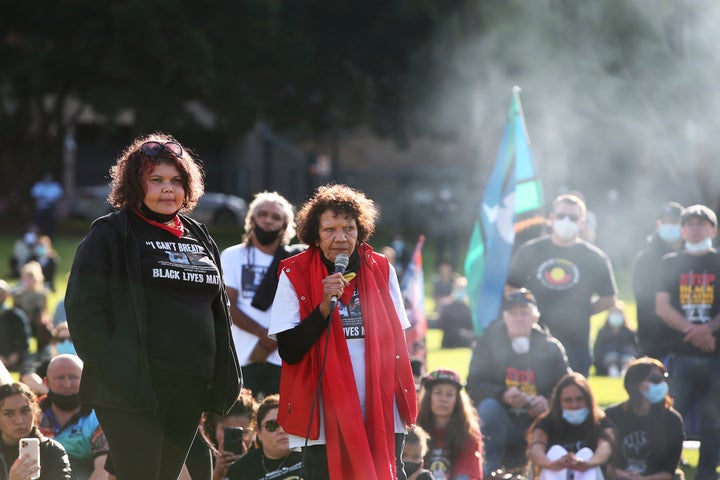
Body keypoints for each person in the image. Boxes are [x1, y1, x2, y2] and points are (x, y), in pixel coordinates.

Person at [64, 132, 242, 480]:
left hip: (190, 385)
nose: (168, 190)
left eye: (176, 181)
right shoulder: (113, 232)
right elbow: (84, 307)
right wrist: (114, 364)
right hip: (134, 388)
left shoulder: (198, 234)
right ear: (135, 184)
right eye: (156, 180)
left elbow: (218, 308)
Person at [268, 183, 417, 480]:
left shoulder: (382, 268)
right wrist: (323, 307)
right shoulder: (293, 272)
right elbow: (289, 350)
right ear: (315, 234)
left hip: (381, 406)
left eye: (348, 228)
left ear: (359, 231)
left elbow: (398, 340)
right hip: (322, 413)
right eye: (330, 230)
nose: (340, 238)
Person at [506, 193, 618, 375]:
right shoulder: (531, 250)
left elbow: (609, 298)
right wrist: (525, 315)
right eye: (561, 216)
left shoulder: (594, 257)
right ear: (551, 218)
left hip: (576, 341)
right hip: (534, 338)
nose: (566, 221)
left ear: (582, 222)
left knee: (572, 398)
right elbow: (511, 288)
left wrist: (584, 311)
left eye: (573, 217)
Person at [467, 288, 571, 476]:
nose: (519, 318)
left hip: (538, 420)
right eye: (513, 313)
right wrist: (502, 395)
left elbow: (568, 387)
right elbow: (473, 384)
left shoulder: (551, 347)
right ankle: (489, 468)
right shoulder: (488, 343)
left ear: (535, 317)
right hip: (500, 419)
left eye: (525, 313)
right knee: (489, 406)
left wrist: (548, 402)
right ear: (504, 317)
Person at [655, 204, 720, 480]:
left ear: (713, 230)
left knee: (714, 418)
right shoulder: (670, 263)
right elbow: (662, 307)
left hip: (715, 354)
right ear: (682, 230)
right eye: (690, 224)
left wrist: (709, 329)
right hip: (680, 354)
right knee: (673, 415)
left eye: (702, 223)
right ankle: (670, 467)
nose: (696, 228)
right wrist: (694, 331)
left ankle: (707, 471)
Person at [220, 191, 303, 399]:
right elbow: (228, 305)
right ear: (252, 219)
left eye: (276, 217)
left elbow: (303, 309)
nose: (268, 220)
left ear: (285, 226)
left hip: (282, 358)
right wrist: (264, 335)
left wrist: (273, 341)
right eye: (263, 214)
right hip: (243, 356)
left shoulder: (294, 261)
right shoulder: (232, 255)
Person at [604, 357, 684, 480]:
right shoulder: (612, 416)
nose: (662, 383)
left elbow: (668, 470)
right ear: (636, 383)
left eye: (664, 378)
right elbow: (604, 462)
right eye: (655, 379)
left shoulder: (672, 420)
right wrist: (623, 476)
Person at [526, 373, 613, 480]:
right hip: (555, 473)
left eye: (579, 399)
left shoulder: (600, 421)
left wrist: (588, 464)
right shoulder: (546, 422)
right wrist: (552, 464)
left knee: (586, 453)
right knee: (556, 452)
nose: (574, 405)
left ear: (588, 399)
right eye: (568, 400)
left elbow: (605, 448)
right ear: (559, 402)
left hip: (590, 473)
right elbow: (535, 450)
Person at [38, 354, 110, 480]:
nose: (67, 384)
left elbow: (103, 469)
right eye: (60, 378)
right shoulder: (31, 414)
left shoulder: (98, 417)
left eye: (73, 377)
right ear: (46, 382)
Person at [632, 201, 684, 360]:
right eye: (665, 222)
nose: (669, 226)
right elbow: (643, 298)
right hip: (653, 339)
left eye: (674, 222)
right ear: (658, 224)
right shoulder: (645, 259)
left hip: (688, 338)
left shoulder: (695, 255)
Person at [416, 369, 483, 480]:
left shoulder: (469, 433)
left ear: (457, 400)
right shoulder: (415, 430)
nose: (443, 399)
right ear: (429, 397)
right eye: (438, 393)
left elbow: (470, 474)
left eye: (450, 394)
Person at [0, 381, 71, 479]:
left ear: (34, 412)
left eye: (25, 411)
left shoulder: (51, 450)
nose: (19, 421)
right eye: (9, 414)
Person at [226, 394, 303, 479]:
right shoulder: (241, 469)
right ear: (258, 432)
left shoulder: (313, 456)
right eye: (272, 425)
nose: (282, 430)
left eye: (287, 424)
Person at [197, 388, 258, 480]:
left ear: (255, 431)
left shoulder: (263, 457)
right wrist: (217, 473)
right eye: (228, 431)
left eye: (242, 432)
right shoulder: (201, 457)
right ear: (214, 428)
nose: (235, 437)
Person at [12, 260, 53, 360]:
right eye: (27, 279)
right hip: (22, 322)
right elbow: (14, 312)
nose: (30, 282)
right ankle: (20, 352)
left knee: (44, 324)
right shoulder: (18, 295)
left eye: (32, 279)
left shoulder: (42, 294)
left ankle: (42, 352)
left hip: (36, 323)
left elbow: (46, 311)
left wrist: (44, 319)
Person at [592, 301, 638, 377]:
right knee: (611, 349)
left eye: (618, 313)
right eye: (613, 313)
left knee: (627, 350)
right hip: (606, 363)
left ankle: (625, 369)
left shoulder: (629, 332)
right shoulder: (603, 332)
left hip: (625, 359)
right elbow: (597, 351)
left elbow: (635, 350)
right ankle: (612, 368)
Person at [0, 279, 31, 372]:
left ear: (8, 295)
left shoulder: (17, 316)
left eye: (2, 292)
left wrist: (17, 354)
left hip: (15, 358)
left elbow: (25, 339)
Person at [437, 276, 475, 349]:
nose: (460, 291)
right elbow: (441, 324)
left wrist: (467, 333)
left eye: (462, 289)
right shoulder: (447, 307)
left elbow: (472, 327)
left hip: (464, 340)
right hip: (449, 340)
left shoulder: (469, 308)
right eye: (458, 289)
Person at [30, 172, 64, 238]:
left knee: (51, 224)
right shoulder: (39, 185)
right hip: (41, 208)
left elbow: (58, 197)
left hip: (51, 208)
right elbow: (35, 196)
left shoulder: (55, 186)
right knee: (38, 223)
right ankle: (37, 236)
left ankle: (50, 237)